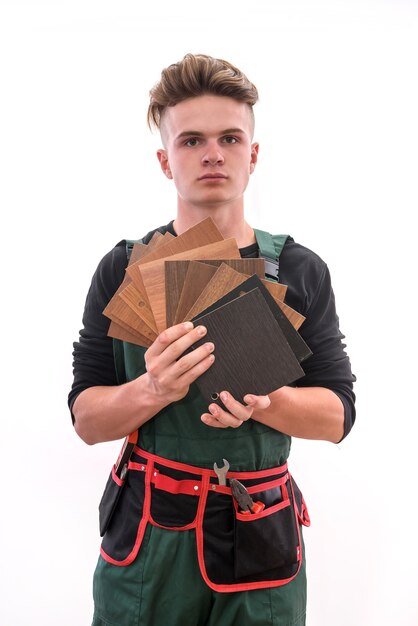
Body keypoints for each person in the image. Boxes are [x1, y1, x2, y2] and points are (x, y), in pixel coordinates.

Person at [69, 53, 356, 626]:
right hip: (148, 537)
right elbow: (85, 421)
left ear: (253, 155)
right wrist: (151, 389)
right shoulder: (122, 269)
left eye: (230, 137)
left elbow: (338, 417)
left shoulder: (300, 271)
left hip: (261, 537)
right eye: (191, 140)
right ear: (164, 160)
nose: (212, 154)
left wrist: (268, 402)